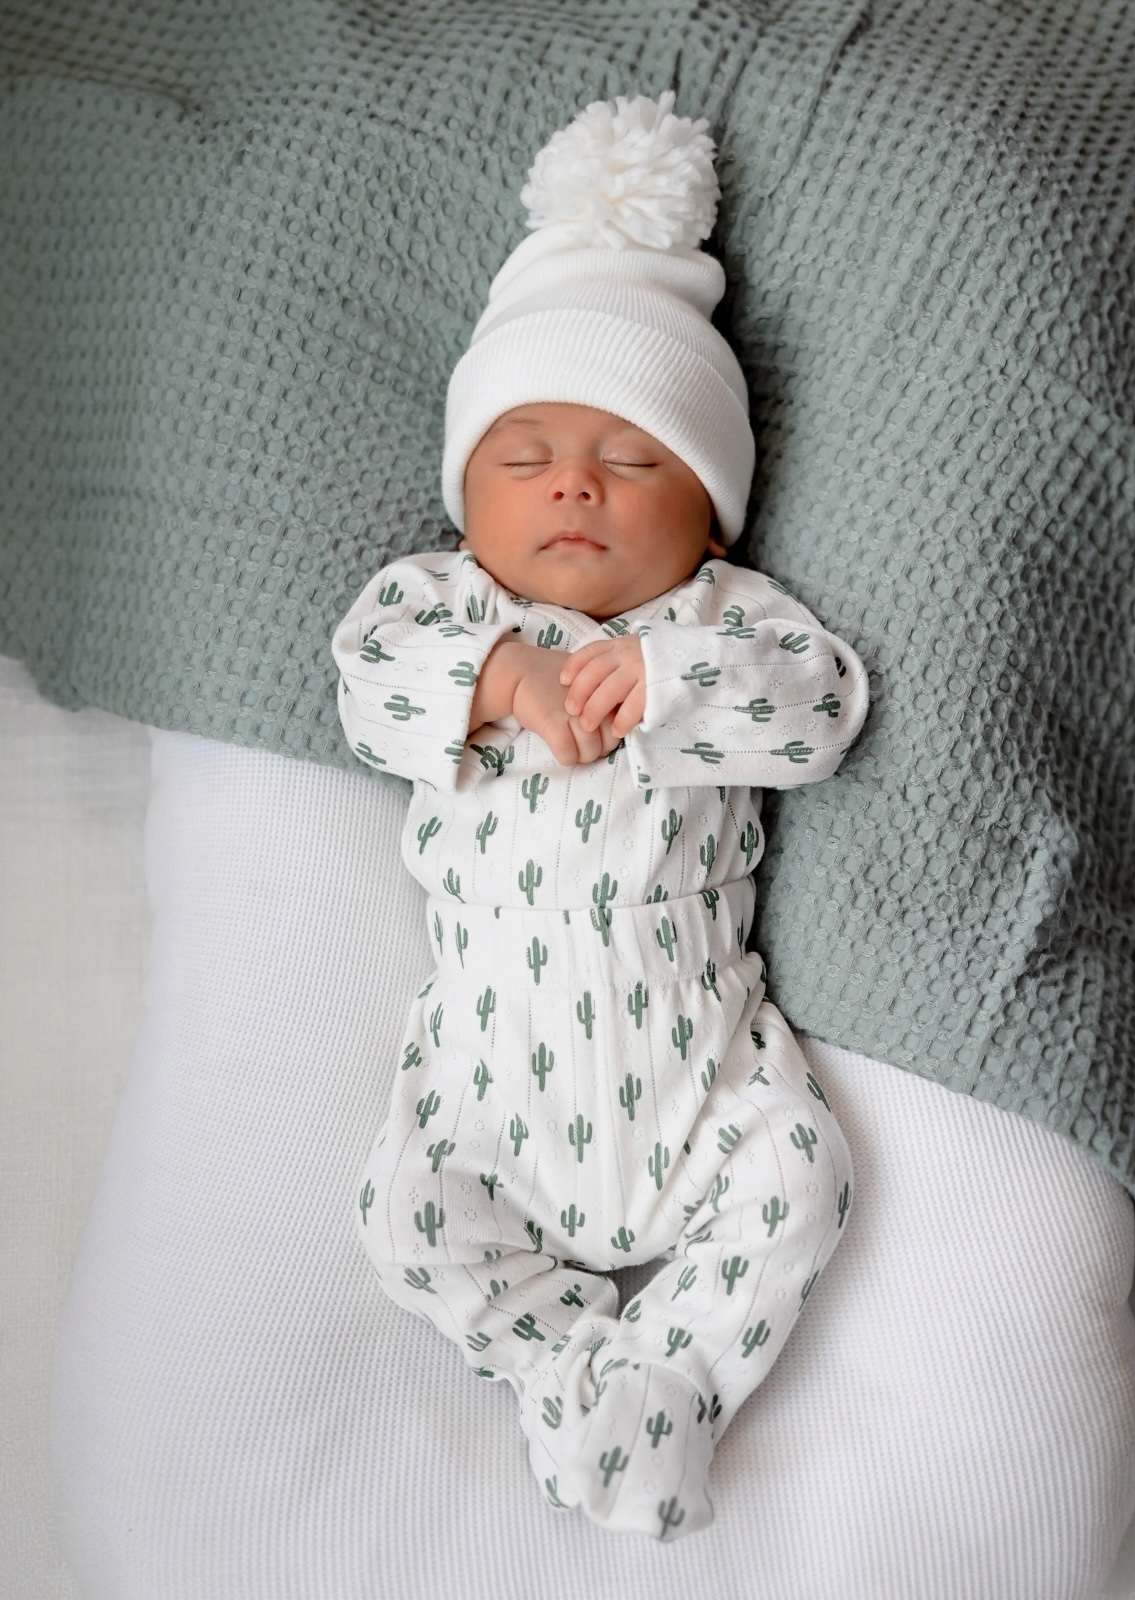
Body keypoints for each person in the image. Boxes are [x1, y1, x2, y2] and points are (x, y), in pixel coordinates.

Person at [331, 91, 869, 1540]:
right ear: (467, 500)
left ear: (710, 509)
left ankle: (673, 1373)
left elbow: (821, 711)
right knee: (404, 1219)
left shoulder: (723, 618)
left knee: (806, 1173)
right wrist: (497, 676)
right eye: (528, 456)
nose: (576, 480)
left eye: (633, 459)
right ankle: (576, 1368)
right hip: (491, 1061)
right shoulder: (442, 604)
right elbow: (367, 684)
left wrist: (679, 675)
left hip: (701, 1049)